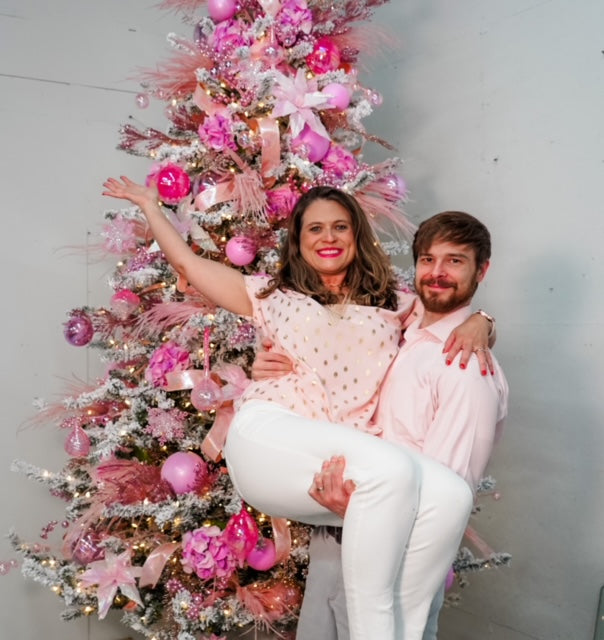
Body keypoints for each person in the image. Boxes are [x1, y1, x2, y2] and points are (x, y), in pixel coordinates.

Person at [102, 178, 494, 640]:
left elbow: (442, 305)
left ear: (356, 235)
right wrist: (150, 206)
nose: (328, 238)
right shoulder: (269, 295)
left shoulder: (395, 305)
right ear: (299, 240)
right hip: (269, 433)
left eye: (340, 227)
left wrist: (483, 321)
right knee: (395, 471)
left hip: (334, 458)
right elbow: (188, 262)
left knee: (450, 494)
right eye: (315, 229)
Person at [253, 211, 508, 640]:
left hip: (392, 563)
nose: (438, 273)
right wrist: (269, 368)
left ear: (482, 269)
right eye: (428, 260)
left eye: (455, 261)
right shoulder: (404, 329)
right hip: (339, 534)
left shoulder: (465, 367)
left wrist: (361, 510)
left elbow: (444, 499)